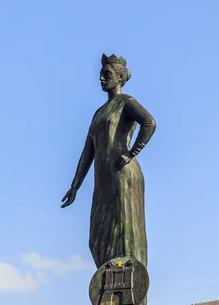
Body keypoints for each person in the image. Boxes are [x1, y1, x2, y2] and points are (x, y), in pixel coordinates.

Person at [61, 54, 156, 269]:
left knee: (124, 234)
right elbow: (88, 151)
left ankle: (129, 285)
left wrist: (132, 153)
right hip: (102, 181)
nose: (102, 79)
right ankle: (109, 286)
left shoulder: (126, 102)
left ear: (120, 78)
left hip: (122, 174)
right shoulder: (98, 113)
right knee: (98, 238)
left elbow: (149, 123)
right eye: (101, 75)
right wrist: (75, 185)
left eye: (107, 75)